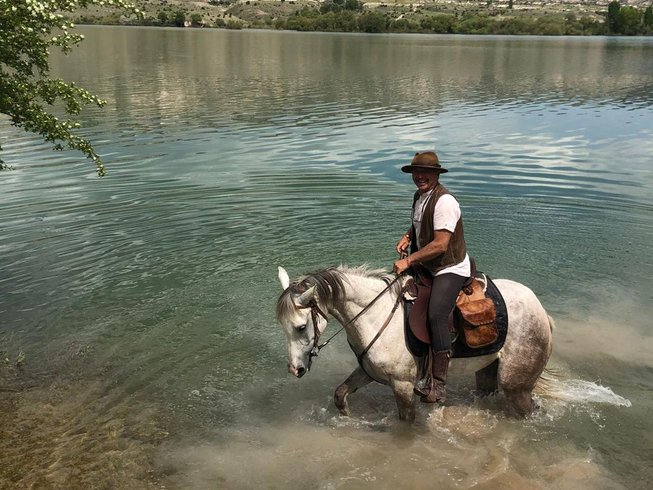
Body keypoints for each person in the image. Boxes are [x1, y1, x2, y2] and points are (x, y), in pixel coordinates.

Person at [393, 151, 471, 404]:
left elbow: (440, 245)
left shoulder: (445, 201)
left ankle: (438, 384)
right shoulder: (420, 196)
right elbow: (421, 223)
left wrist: (409, 260)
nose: (419, 177)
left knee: (436, 313)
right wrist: (408, 235)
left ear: (437, 174)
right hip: (428, 265)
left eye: (425, 172)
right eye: (416, 172)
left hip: (449, 267)